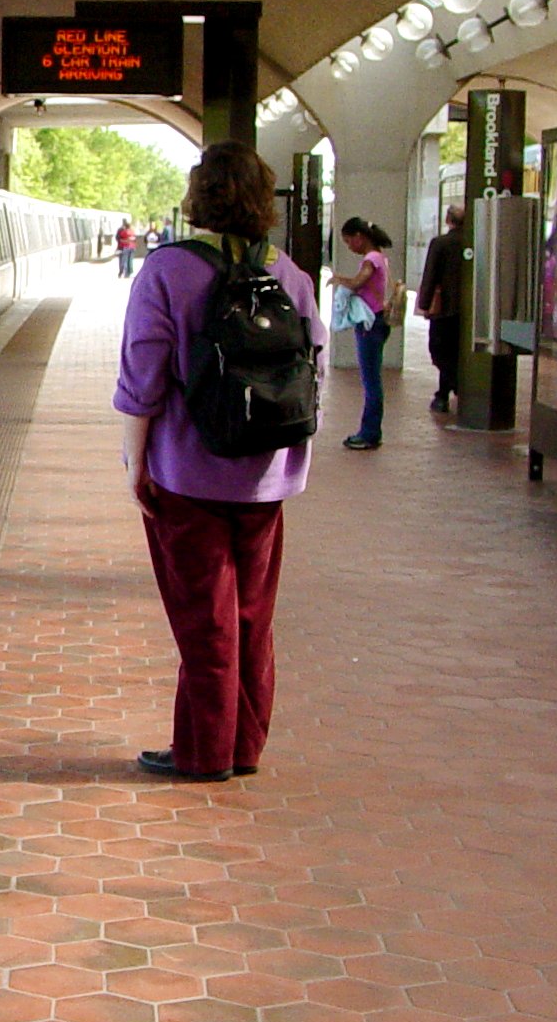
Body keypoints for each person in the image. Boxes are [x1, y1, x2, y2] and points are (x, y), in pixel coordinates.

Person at [115, 142, 322, 782]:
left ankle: (204, 751)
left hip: (187, 474)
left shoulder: (167, 270)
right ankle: (244, 746)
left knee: (205, 618)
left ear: (198, 198)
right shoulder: (290, 275)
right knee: (253, 617)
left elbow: (142, 377)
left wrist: (134, 462)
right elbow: (311, 367)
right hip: (265, 477)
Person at [328, 217, 395, 449]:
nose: (349, 247)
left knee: (370, 380)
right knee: (372, 378)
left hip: (370, 324)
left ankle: (369, 433)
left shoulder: (371, 259)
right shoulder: (380, 257)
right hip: (378, 321)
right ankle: (370, 431)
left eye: (349, 241)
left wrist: (339, 280)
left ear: (359, 236)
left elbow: (359, 282)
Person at [416, 203, 466, 413]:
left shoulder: (440, 243)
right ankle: (448, 390)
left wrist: (424, 304)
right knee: (456, 352)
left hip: (444, 309)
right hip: (467, 311)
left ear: (448, 220)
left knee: (439, 351)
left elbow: (430, 275)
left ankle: (451, 388)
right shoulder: (471, 242)